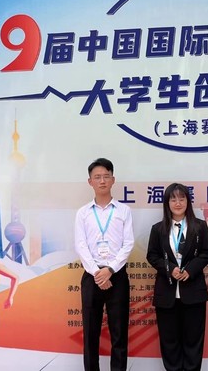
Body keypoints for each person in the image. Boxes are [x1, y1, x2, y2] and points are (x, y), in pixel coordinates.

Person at [74, 158, 134, 371]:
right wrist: (97, 272)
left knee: (119, 333)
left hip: (117, 276)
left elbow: (128, 243)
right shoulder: (83, 213)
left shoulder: (123, 210)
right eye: (97, 177)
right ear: (90, 181)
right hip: (92, 277)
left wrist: (110, 270)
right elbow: (80, 245)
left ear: (113, 180)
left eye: (106, 176)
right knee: (91, 333)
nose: (102, 181)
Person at [146, 183, 208, 371]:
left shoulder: (199, 226)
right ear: (167, 203)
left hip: (194, 293)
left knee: (194, 341)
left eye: (182, 198)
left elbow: (206, 253)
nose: (178, 203)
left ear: (188, 201)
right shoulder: (158, 229)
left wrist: (190, 270)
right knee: (169, 342)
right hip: (166, 295)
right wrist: (170, 269)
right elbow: (152, 255)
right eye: (173, 199)